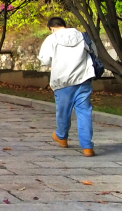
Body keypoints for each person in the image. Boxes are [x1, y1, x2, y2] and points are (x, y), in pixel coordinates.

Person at [38, 17, 97, 157]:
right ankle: (87, 147)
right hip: (83, 80)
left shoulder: (51, 39)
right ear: (65, 25)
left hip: (62, 81)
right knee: (84, 113)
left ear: (52, 28)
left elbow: (44, 60)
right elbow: (95, 52)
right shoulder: (82, 36)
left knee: (63, 112)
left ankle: (62, 136)